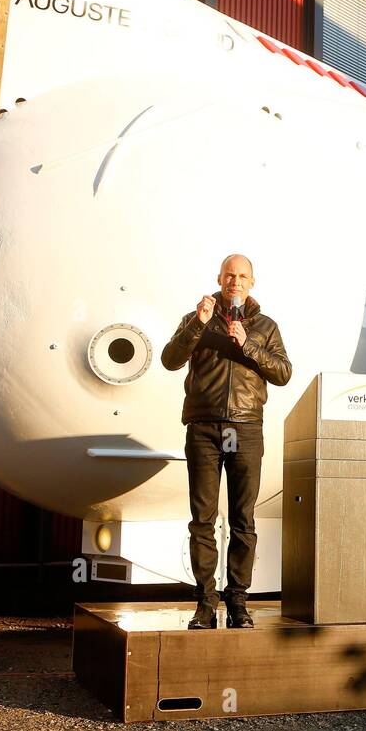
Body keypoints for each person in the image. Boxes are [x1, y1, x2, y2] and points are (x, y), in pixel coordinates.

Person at [161, 254, 292, 629]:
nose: (235, 281)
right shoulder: (198, 318)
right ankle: (205, 604)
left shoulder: (265, 326)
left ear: (252, 282)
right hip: (203, 427)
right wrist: (196, 326)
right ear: (219, 278)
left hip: (245, 427)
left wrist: (247, 344)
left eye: (242, 276)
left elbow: (283, 372)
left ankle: (238, 602)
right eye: (229, 275)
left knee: (242, 520)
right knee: (201, 520)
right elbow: (171, 359)